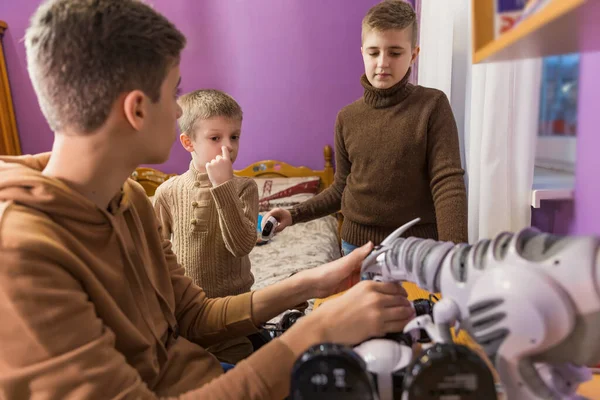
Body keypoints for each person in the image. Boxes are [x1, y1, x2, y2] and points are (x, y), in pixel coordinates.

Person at [0, 0, 415, 398]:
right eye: (174, 90)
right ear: (138, 109)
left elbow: (194, 317)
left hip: (202, 375)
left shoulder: (128, 199)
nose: (181, 110)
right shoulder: (23, 254)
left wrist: (311, 282)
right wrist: (320, 330)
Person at [265, 0, 468, 260]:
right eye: (374, 53)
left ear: (413, 55)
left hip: (418, 250)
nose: (383, 63)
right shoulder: (347, 118)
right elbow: (341, 189)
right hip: (356, 249)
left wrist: (456, 255)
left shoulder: (432, 105)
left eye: (395, 53)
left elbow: (447, 182)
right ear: (362, 53)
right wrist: (294, 214)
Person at [154, 89, 258, 364]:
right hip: (186, 314)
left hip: (234, 311)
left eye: (234, 136)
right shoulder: (167, 192)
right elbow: (155, 253)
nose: (229, 147)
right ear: (188, 142)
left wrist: (223, 186)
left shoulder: (244, 187)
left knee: (239, 380)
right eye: (215, 138)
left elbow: (241, 245)